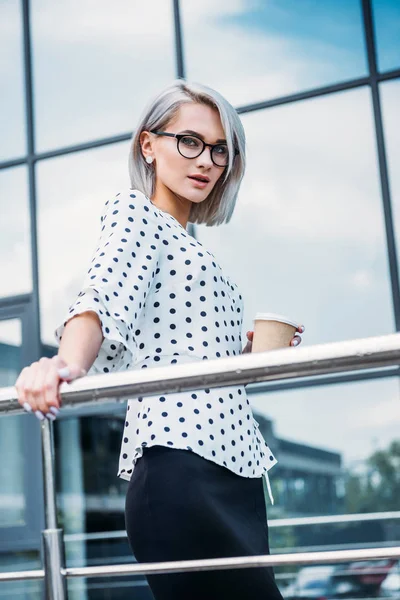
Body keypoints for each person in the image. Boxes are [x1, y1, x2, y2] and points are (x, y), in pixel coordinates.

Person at [15, 79, 304, 600]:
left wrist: (239, 348)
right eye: (189, 141)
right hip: (182, 467)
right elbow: (100, 299)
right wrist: (62, 364)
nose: (207, 161)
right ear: (148, 145)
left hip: (234, 473)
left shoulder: (194, 248)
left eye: (220, 150)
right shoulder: (136, 214)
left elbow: (173, 340)